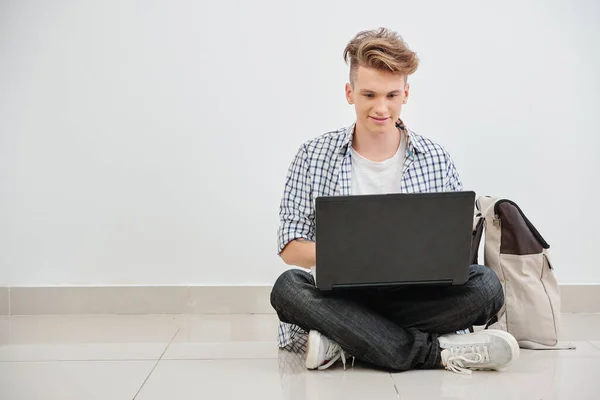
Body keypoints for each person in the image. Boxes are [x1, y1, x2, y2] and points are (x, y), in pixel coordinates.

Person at [270, 27, 519, 374]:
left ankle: (350, 339)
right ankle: (436, 353)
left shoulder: (435, 157)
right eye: (369, 94)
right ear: (349, 93)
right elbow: (290, 247)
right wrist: (356, 252)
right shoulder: (313, 155)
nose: (381, 108)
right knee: (288, 290)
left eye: (391, 95)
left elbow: (456, 249)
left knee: (488, 287)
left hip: (414, 299)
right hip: (344, 297)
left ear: (406, 93)